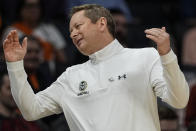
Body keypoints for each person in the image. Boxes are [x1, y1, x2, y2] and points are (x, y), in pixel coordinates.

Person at [3, 4, 189, 131]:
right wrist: (15, 66)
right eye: (70, 31)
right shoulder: (71, 76)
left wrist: (167, 56)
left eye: (78, 26)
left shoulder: (145, 57)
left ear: (101, 23)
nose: (73, 34)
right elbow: (30, 110)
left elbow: (179, 100)